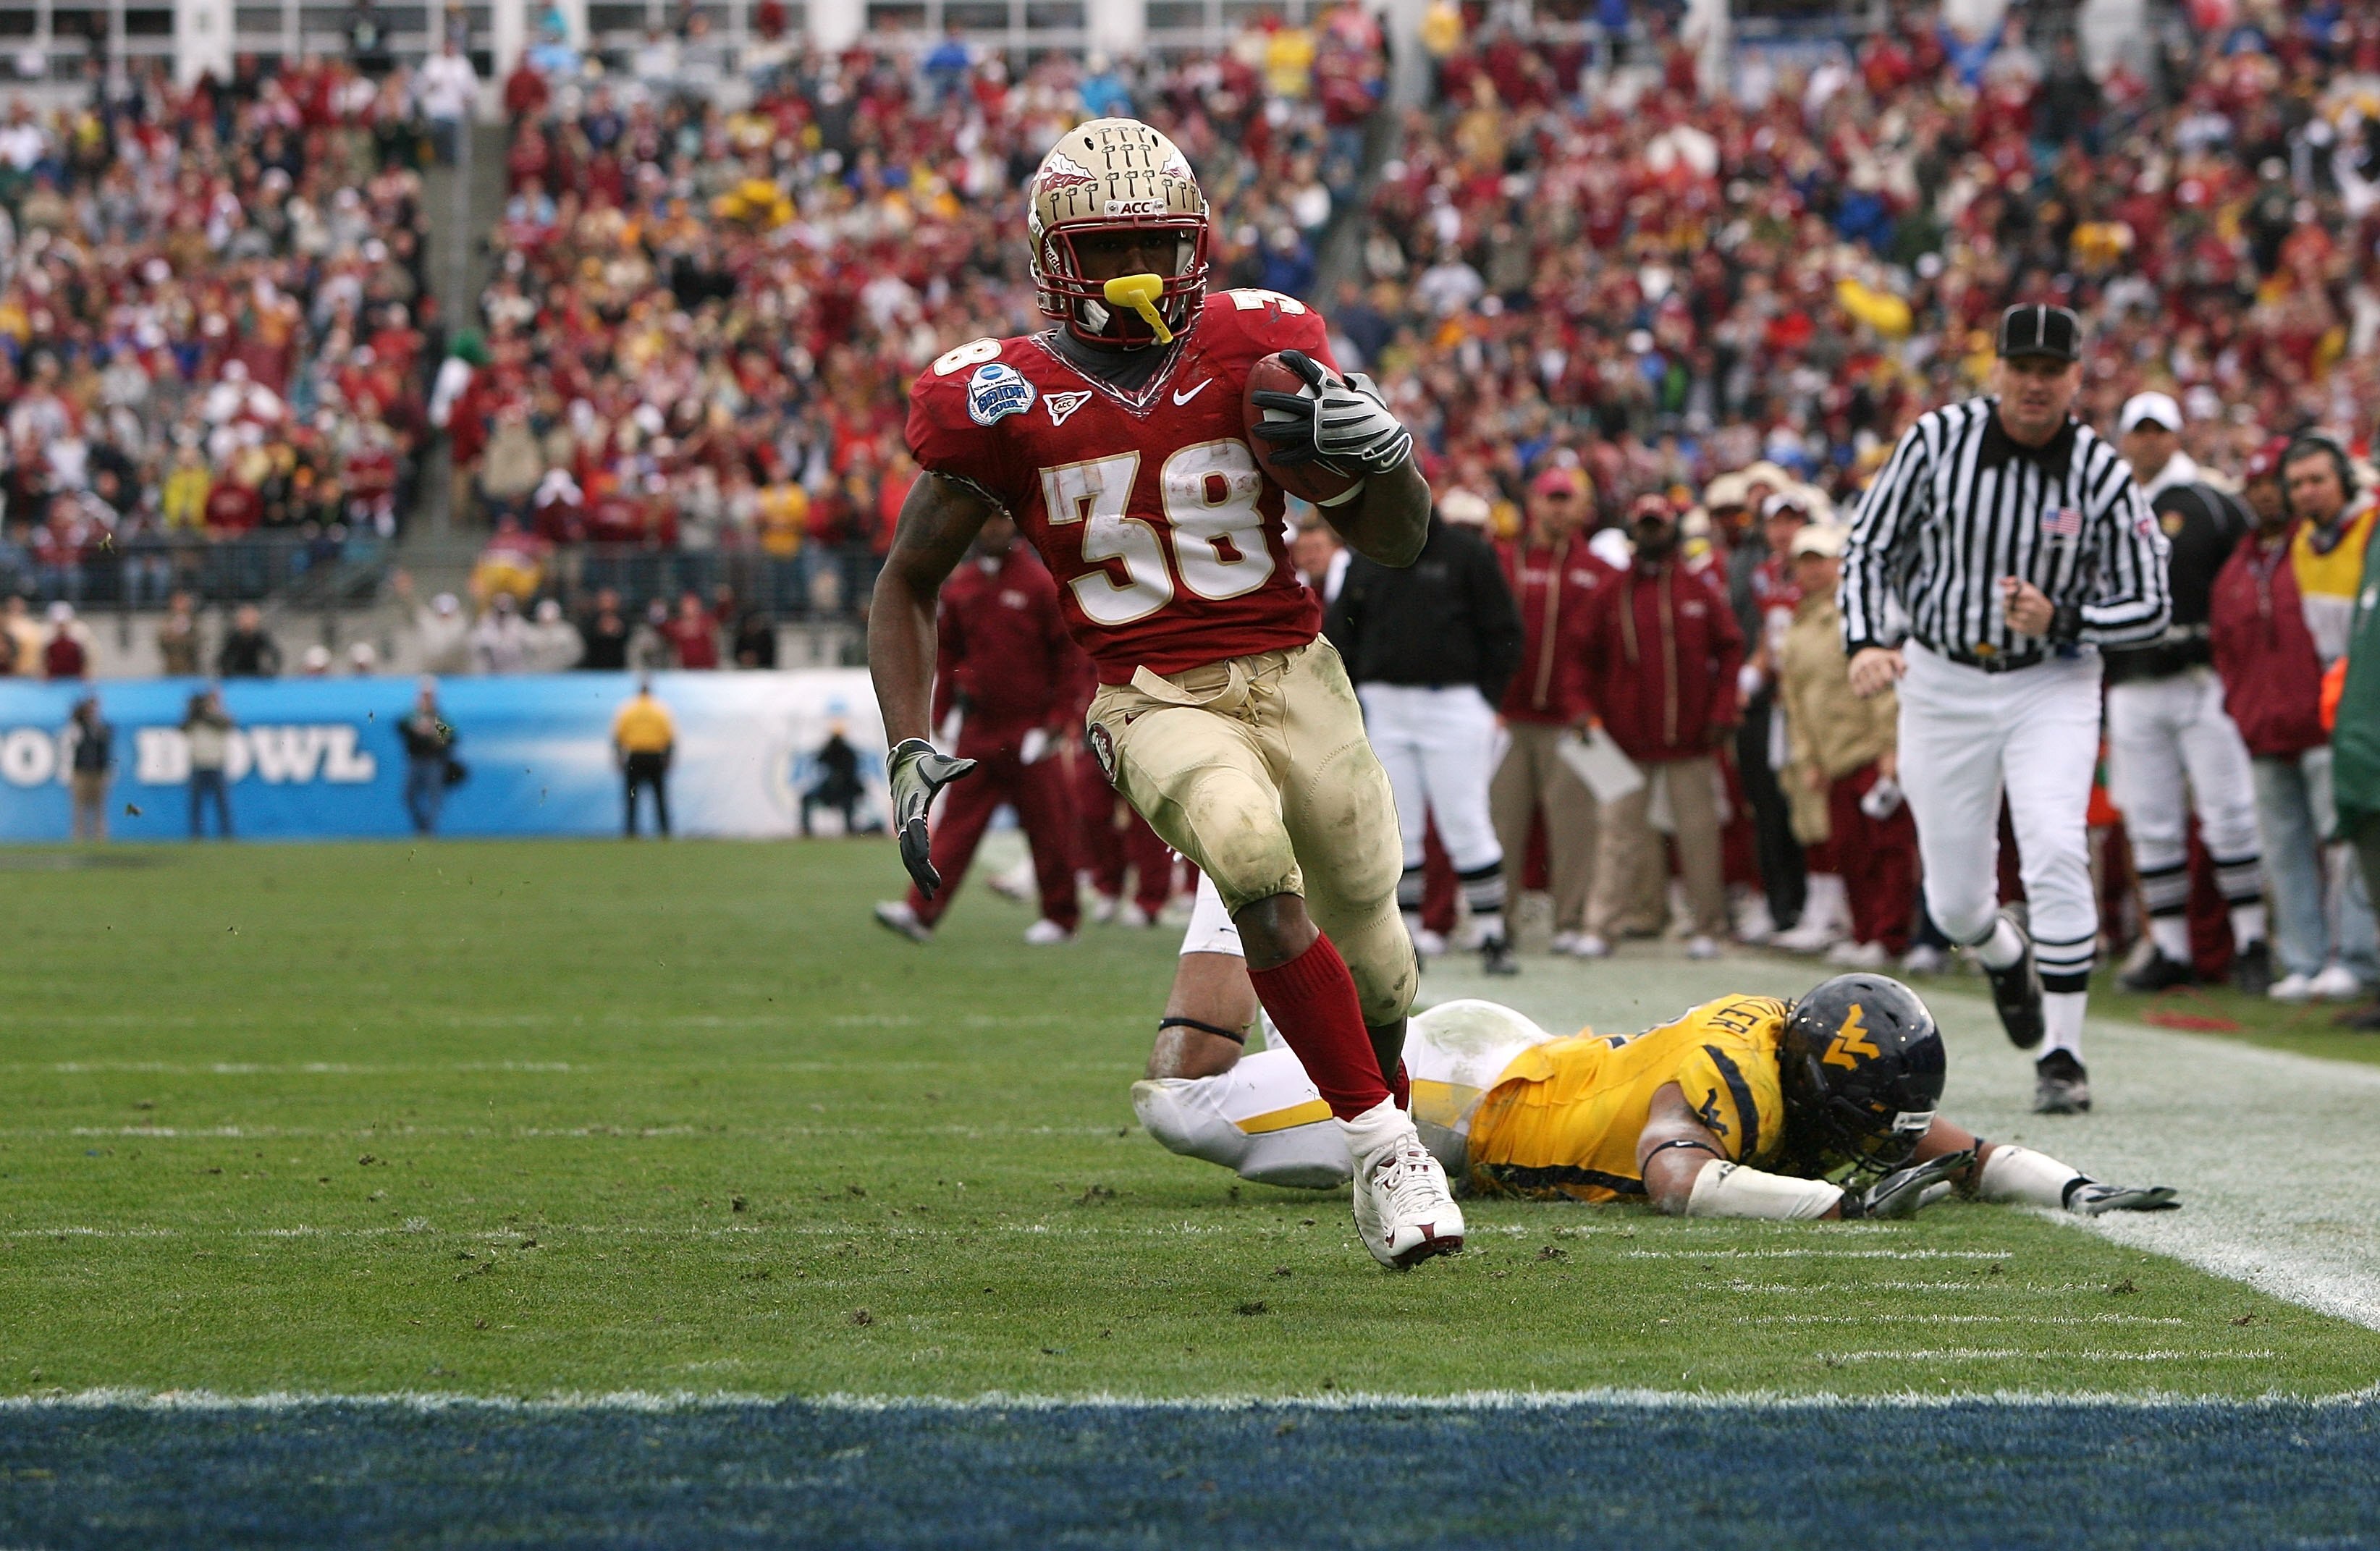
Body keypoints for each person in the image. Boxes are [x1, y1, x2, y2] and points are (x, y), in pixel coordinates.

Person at [874, 118, 1462, 1269]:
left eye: (1155, 241)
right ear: (1054, 257)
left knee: (1383, 960)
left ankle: (1375, 1116)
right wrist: (909, 738)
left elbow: (1395, 543)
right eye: (1107, 248)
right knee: (1244, 851)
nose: (1135, 271)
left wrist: (1389, 462)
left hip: (1299, 675)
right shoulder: (994, 397)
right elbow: (906, 582)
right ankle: (1388, 1147)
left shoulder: (1262, 347)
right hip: (1149, 693)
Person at [1132, 968, 2178, 1225]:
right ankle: (1232, 888)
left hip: (1521, 1058)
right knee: (1179, 1105)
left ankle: (1288, 952)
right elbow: (1677, 1178)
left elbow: (1959, 1150)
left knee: (1302, 1046)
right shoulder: (1735, 1074)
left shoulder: (1805, 1052)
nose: (1869, 1143)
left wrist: (2077, 1187)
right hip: (1456, 1097)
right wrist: (1841, 1203)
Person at [1840, 305, 2171, 1115]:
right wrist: (1866, 640)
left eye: (2050, 370)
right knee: (1954, 899)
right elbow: (1869, 545)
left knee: (2057, 840)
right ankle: (1999, 947)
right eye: (2020, 366)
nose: (2033, 382)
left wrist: (2063, 619)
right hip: (1942, 677)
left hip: (2048, 678)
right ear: (1996, 370)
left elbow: (2153, 603)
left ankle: (2063, 1053)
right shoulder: (1936, 440)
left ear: (2074, 378)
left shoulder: (2099, 469)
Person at [2101, 392, 2269, 994]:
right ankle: (2169, 946)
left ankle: (2252, 939)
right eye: (2138, 430)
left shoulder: (2209, 502)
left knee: (2230, 811)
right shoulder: (2108, 505)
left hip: (2201, 677)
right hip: (2131, 680)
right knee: (2151, 820)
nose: (2148, 441)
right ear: (2123, 437)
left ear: (2176, 436)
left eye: (2158, 430)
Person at [2211, 439, 2378, 1002]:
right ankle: (2306, 961)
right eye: (2298, 482)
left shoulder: (2368, 530)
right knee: (2285, 845)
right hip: (2284, 716)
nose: (2306, 492)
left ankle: (2352, 957)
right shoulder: (2302, 542)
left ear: (2345, 480)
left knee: (2348, 842)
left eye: (2318, 480)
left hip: (2342, 712)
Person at [874, 510, 1089, 946]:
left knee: (1051, 827)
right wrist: (942, 714)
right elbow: (947, 654)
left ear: (1013, 525)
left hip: (1029, 729)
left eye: (998, 521)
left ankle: (1061, 919)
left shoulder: (1039, 583)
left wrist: (1056, 723)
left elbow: (1070, 659)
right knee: (956, 825)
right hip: (981, 729)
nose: (991, 529)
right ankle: (920, 912)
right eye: (985, 522)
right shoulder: (963, 585)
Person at [1327, 493, 1523, 971]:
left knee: (1466, 820)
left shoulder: (1466, 553)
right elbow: (1341, 632)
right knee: (1398, 826)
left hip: (1453, 702)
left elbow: (1504, 630)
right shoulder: (1367, 556)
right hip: (1385, 704)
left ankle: (1492, 933)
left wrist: (1486, 700)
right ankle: (1406, 937)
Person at [1576, 494, 1744, 961]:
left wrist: (1722, 711)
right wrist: (1583, 713)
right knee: (1617, 834)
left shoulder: (1696, 589)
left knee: (1699, 833)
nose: (1652, 534)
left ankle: (1707, 925)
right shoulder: (1611, 591)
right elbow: (1580, 656)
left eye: (1659, 526)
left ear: (1673, 530)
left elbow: (1731, 648)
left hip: (1689, 737)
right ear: (1634, 530)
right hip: (1625, 739)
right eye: (1645, 526)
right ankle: (1601, 925)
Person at [1777, 525, 1915, 969]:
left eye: (1821, 560)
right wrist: (1808, 759)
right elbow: (1795, 701)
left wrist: (1891, 747)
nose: (1813, 570)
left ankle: (1889, 936)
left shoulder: (1854, 616)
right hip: (1831, 757)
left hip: (1867, 750)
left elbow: (1879, 687)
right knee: (1850, 852)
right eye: (1806, 562)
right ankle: (1864, 931)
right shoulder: (1798, 626)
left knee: (1887, 849)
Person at [1492, 465, 1608, 956]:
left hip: (1570, 721)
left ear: (1583, 508)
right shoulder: (1505, 559)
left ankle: (1571, 918)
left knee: (1575, 829)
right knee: (1501, 826)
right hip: (1508, 717)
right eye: (1551, 498)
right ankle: (1497, 920)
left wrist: (1594, 709)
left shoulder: (1599, 571)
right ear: (1534, 504)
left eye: (1567, 499)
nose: (1558, 508)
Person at [613, 677, 675, 837]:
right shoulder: (660, 709)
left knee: (632, 797)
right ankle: (665, 832)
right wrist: (669, 757)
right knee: (660, 798)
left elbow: (618, 736)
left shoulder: (628, 709)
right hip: (655, 756)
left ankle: (631, 832)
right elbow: (669, 737)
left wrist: (618, 757)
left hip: (635, 757)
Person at [400, 680, 457, 834]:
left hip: (433, 761)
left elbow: (450, 738)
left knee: (434, 797)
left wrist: (436, 737)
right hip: (416, 761)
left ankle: (429, 830)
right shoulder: (413, 716)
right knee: (409, 796)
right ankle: (422, 826)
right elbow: (402, 727)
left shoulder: (439, 717)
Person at [183, 688, 235, 840]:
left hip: (216, 764)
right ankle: (196, 834)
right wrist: (195, 712)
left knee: (222, 804)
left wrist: (207, 714)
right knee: (197, 804)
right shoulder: (195, 719)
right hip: (198, 765)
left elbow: (226, 724)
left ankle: (227, 834)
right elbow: (182, 728)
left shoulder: (219, 718)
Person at [802, 726, 869, 835]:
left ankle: (850, 830)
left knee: (849, 802)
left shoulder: (848, 753)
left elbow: (852, 776)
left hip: (846, 790)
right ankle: (806, 831)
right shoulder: (828, 751)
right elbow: (817, 760)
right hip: (828, 790)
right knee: (806, 798)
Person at [67, 695, 112, 842]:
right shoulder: (78, 727)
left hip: (98, 772)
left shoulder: (101, 727)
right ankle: (79, 837)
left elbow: (105, 747)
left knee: (99, 807)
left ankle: (100, 837)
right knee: (80, 807)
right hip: (81, 772)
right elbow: (72, 742)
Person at [217, 605, 282, 679]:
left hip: (256, 673)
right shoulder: (233, 637)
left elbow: (275, 654)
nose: (247, 622)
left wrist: (271, 671)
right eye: (244, 619)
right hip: (236, 674)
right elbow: (223, 657)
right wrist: (226, 671)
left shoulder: (261, 636)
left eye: (250, 619)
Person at [578, 588, 631, 671]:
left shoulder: (625, 620)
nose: (607, 604)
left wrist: (619, 631)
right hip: (594, 668)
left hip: (620, 668)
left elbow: (630, 641)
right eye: (604, 600)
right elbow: (585, 641)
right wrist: (599, 631)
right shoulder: (590, 620)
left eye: (610, 600)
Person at [42, 601, 90, 680]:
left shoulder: (81, 636)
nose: (61, 627)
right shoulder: (46, 637)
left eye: (63, 624)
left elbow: (86, 661)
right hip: (54, 680)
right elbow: (44, 662)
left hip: (74, 679)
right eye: (59, 624)